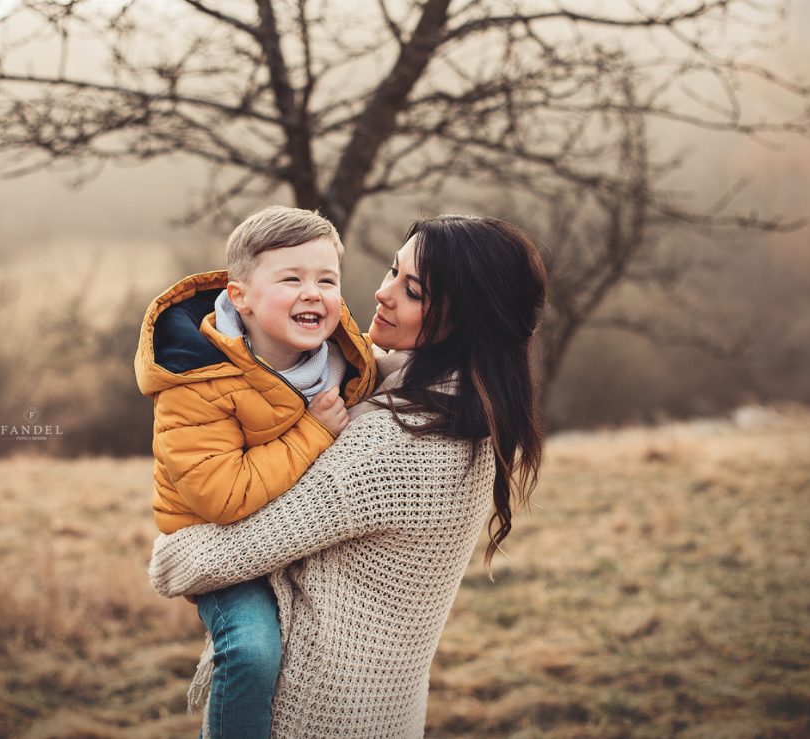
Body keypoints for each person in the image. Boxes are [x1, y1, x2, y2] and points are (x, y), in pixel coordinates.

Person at [149, 214, 548, 738]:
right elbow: (360, 369)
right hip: (385, 712)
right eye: (391, 270)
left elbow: (225, 556)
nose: (382, 294)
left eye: (413, 291)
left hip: (312, 716)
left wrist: (169, 550)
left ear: (465, 320)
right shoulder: (469, 410)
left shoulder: (398, 443)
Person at [134, 205, 377, 738]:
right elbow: (222, 496)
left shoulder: (339, 356)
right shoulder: (195, 379)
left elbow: (392, 370)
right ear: (240, 296)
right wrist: (315, 432)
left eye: (327, 280)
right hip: (214, 543)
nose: (313, 292)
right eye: (291, 279)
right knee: (254, 650)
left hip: (291, 530)